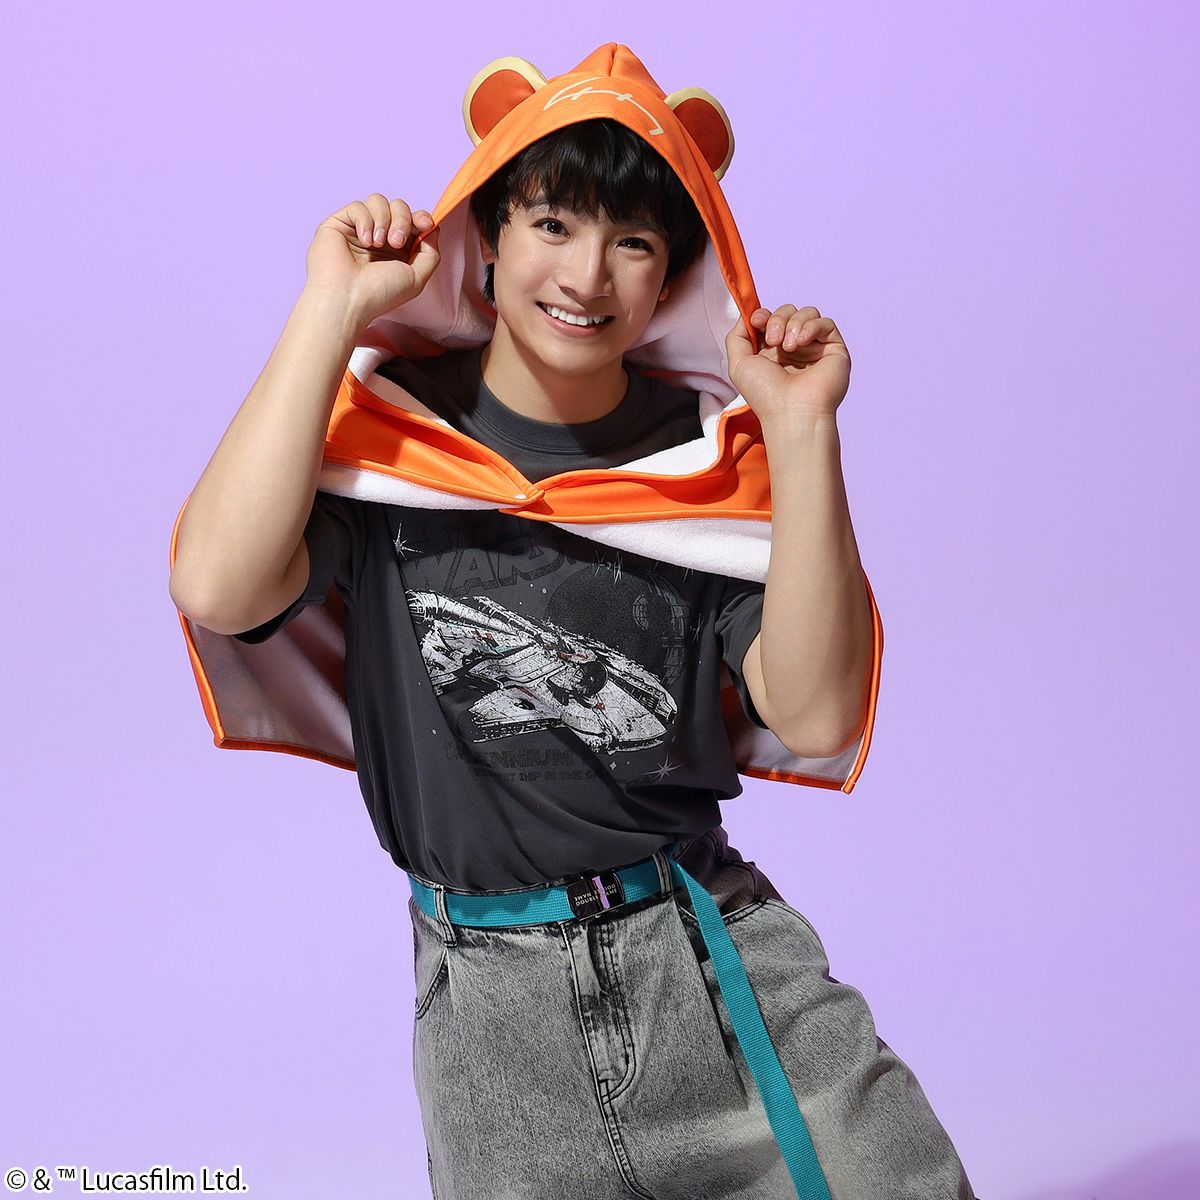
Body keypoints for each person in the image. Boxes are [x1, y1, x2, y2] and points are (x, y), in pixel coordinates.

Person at [168, 43, 976, 1199]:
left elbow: (815, 710)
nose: (588, 276)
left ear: (669, 275)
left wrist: (801, 433)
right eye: (553, 223)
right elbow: (216, 584)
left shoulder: (705, 462)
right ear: (489, 238)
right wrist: (329, 309)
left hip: (710, 966)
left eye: (633, 241)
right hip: (493, 1023)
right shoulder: (392, 443)